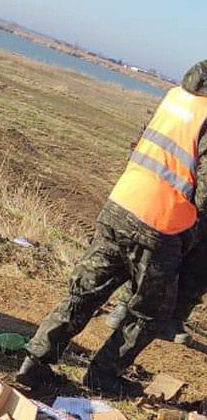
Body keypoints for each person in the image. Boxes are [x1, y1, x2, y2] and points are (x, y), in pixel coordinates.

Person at [16, 60, 207, 396]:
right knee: (152, 311)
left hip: (121, 202)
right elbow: (204, 195)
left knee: (85, 292)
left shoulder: (176, 98)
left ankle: (35, 362)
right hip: (160, 223)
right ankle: (103, 375)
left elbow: (140, 144)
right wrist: (189, 239)